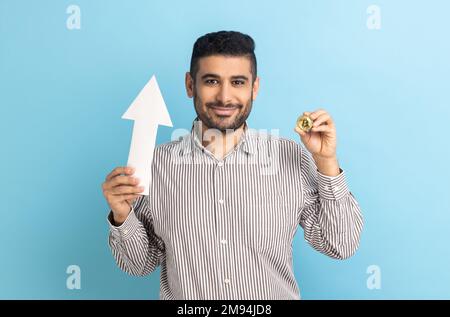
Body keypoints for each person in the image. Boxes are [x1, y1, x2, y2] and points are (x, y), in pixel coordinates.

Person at [101, 30, 363, 299]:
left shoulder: (289, 156)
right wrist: (122, 216)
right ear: (190, 85)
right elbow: (139, 264)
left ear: (254, 87)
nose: (225, 97)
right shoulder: (155, 165)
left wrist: (326, 162)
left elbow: (340, 245)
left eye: (237, 82)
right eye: (212, 81)